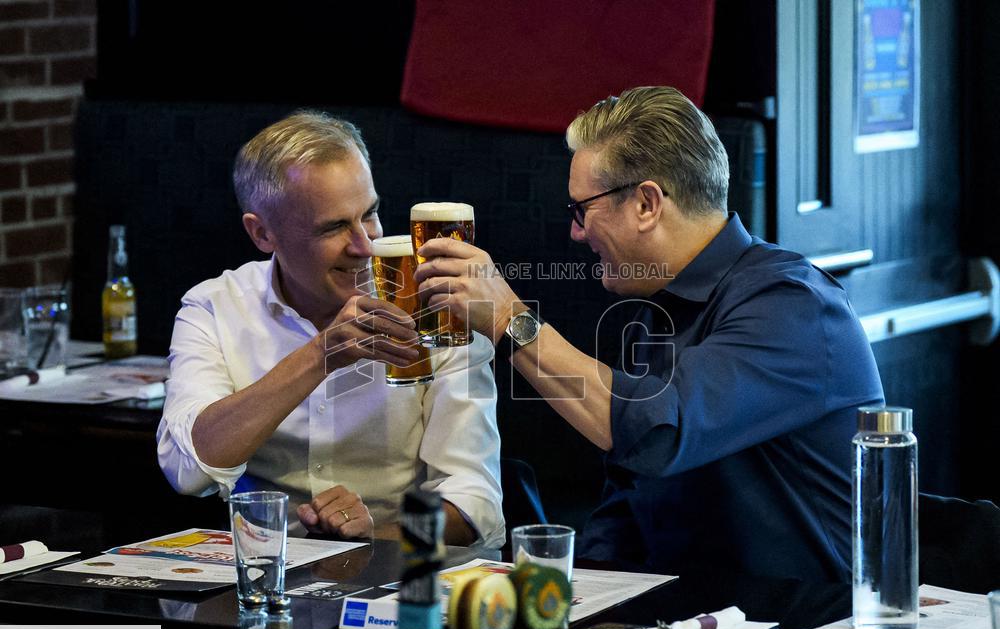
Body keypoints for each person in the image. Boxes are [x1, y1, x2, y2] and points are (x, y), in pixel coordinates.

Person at [413, 86, 884, 580]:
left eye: (582, 209)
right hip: (688, 624)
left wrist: (510, 320)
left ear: (646, 203)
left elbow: (661, 433)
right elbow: (628, 504)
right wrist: (571, 595)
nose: (576, 232)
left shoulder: (794, 304)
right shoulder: (655, 311)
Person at [157, 110, 504, 548]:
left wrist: (374, 535)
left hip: (404, 574)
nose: (364, 245)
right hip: (270, 575)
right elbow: (188, 471)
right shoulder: (214, 307)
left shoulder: (437, 307)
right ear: (263, 233)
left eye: (370, 214)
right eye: (335, 227)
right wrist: (319, 356)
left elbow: (475, 504)